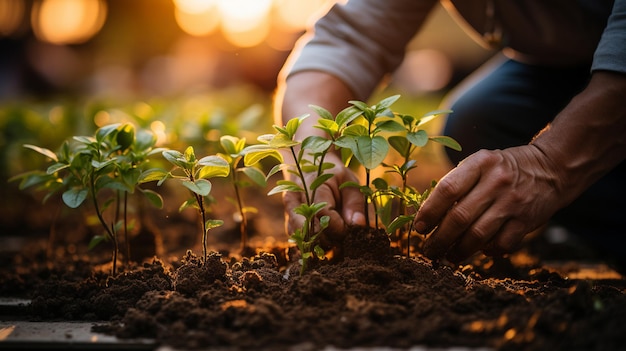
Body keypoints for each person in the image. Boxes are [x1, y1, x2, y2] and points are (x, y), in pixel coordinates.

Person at [273, 0, 626, 265]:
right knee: (481, 122)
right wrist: (307, 148)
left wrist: (550, 163)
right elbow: (348, 39)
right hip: (564, 60)